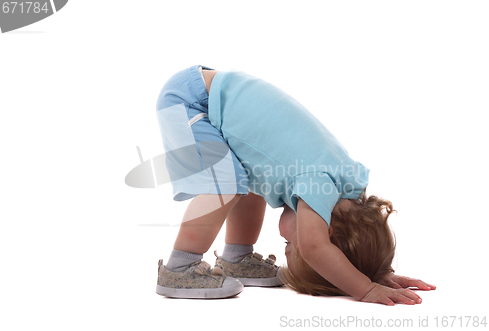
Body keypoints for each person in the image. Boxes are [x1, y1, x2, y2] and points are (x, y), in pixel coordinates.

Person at [154, 65, 435, 304]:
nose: (284, 238)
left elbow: (355, 236)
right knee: (224, 184)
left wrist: (377, 269)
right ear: (327, 230)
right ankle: (180, 265)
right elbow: (315, 248)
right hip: (193, 101)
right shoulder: (319, 186)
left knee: (252, 182)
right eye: (291, 242)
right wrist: (366, 287)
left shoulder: (346, 182)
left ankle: (237, 258)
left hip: (207, 95)